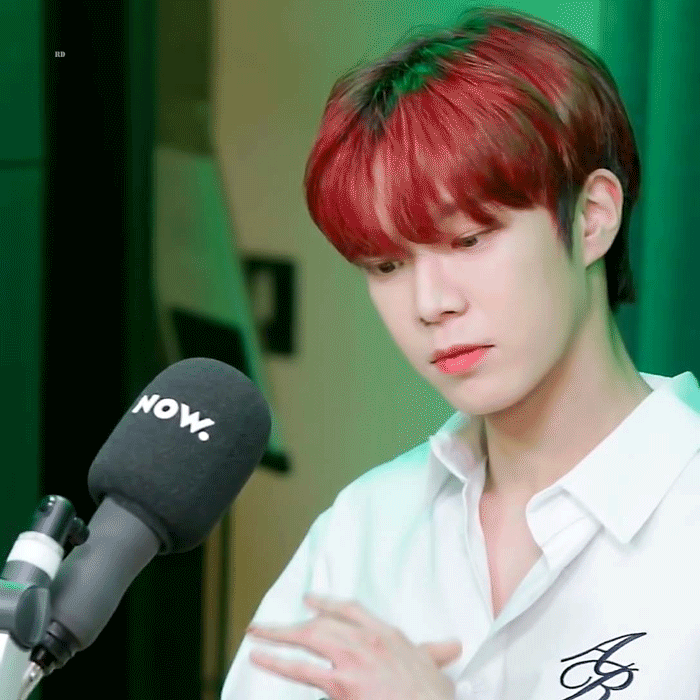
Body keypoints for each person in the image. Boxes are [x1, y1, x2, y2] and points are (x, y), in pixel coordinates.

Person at [221, 6, 700, 699]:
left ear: (592, 217)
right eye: (387, 265)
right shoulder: (365, 529)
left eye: (468, 240)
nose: (429, 303)